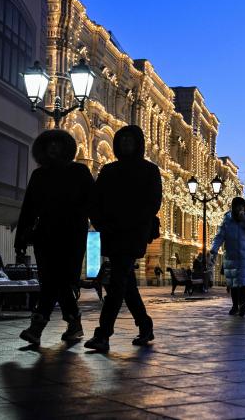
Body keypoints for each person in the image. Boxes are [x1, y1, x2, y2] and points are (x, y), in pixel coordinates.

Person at [84, 125, 162, 353]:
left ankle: (103, 334)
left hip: (133, 234)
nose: (127, 143)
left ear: (138, 143)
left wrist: (130, 222)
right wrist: (100, 223)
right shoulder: (109, 170)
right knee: (125, 283)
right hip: (111, 232)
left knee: (117, 283)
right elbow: (95, 201)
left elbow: (152, 203)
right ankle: (145, 325)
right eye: (123, 139)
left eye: (131, 139)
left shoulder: (149, 170)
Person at [16, 129, 96, 346]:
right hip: (45, 235)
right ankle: (74, 323)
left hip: (71, 235)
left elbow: (93, 203)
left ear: (65, 148)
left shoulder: (79, 171)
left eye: (57, 144)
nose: (53, 148)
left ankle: (38, 326)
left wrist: (104, 229)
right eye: (49, 144)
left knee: (56, 280)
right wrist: (21, 238)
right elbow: (29, 209)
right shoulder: (39, 175)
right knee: (54, 281)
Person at [210, 197, 245, 316]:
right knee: (233, 283)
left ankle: (242, 304)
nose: (239, 208)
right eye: (237, 206)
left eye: (241, 206)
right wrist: (214, 250)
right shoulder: (227, 221)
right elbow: (219, 237)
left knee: (243, 282)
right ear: (233, 207)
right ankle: (235, 305)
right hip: (231, 256)